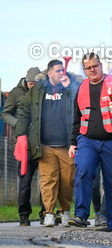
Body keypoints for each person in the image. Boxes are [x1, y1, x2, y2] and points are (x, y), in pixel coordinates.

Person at [67, 54, 112, 231]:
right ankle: (81, 215)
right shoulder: (81, 88)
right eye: (89, 68)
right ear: (84, 70)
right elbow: (77, 119)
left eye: (95, 66)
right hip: (87, 140)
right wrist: (72, 143)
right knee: (83, 171)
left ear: (101, 66)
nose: (93, 70)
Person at [15, 61, 75, 227]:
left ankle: (65, 211)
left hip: (66, 144)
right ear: (49, 73)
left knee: (67, 180)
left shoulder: (70, 87)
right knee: (48, 180)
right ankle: (48, 213)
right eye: (58, 71)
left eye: (63, 70)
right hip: (45, 144)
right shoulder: (38, 90)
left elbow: (80, 104)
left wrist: (69, 87)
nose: (62, 73)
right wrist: (21, 134)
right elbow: (24, 111)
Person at [5, 67, 45, 225]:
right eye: (30, 84)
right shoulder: (16, 92)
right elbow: (5, 113)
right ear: (26, 81)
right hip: (24, 145)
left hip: (41, 143)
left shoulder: (44, 91)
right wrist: (20, 125)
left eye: (36, 83)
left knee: (46, 181)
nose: (33, 86)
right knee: (25, 181)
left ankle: (45, 214)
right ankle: (24, 215)